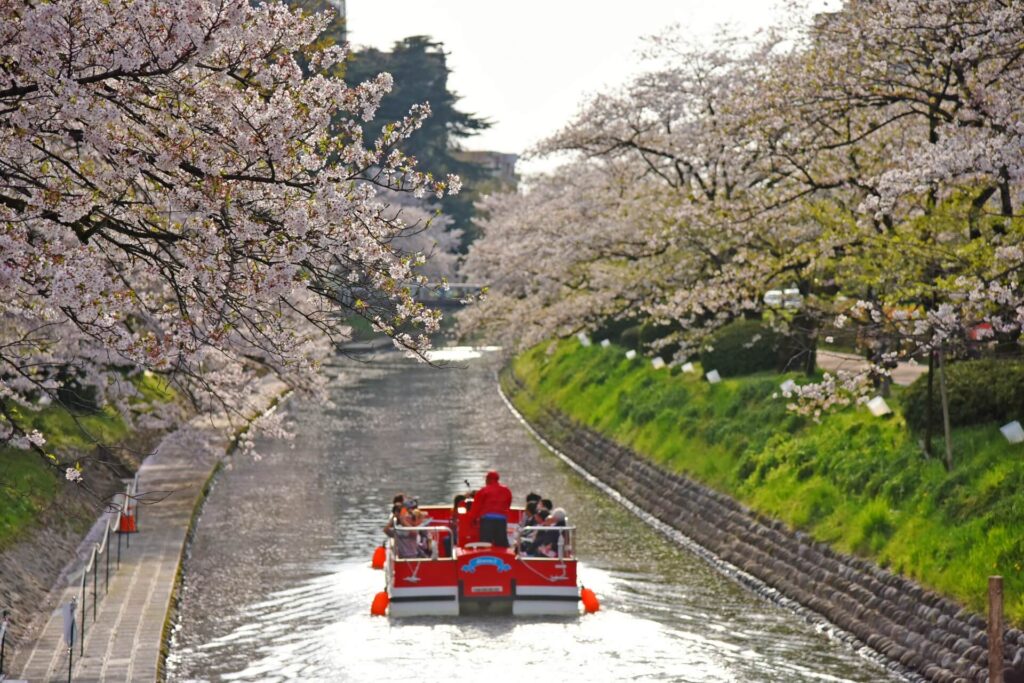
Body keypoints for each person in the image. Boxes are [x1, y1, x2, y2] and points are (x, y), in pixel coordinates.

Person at [467, 470, 512, 547]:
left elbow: (476, 507)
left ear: (487, 479)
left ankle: (486, 557)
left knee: (485, 544)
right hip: (501, 521)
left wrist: (472, 519)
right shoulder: (506, 490)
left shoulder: (483, 491)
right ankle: (504, 557)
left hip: (487, 521)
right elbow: (508, 504)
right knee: (501, 544)